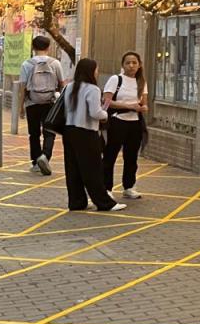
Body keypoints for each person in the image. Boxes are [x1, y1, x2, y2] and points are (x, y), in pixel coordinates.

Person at [62, 58, 125, 212]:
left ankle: (77, 202)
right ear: (91, 71)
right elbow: (95, 113)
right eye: (96, 69)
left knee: (73, 168)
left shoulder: (70, 87)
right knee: (93, 169)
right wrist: (105, 114)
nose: (97, 72)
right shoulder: (93, 89)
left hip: (69, 131)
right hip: (86, 132)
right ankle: (104, 203)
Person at [17, 34, 66, 175]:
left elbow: (23, 87)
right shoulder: (55, 63)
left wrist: (21, 107)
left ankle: (36, 162)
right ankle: (45, 156)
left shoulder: (27, 64)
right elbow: (62, 84)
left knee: (34, 133)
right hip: (50, 102)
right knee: (49, 131)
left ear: (33, 47)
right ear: (48, 48)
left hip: (32, 102)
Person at [102, 51, 148, 200]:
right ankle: (106, 187)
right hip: (117, 121)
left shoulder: (141, 82)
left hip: (135, 123)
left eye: (134, 63)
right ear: (123, 65)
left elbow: (144, 102)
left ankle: (129, 186)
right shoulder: (116, 79)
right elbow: (107, 102)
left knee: (131, 156)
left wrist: (142, 108)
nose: (131, 66)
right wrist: (129, 106)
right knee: (111, 154)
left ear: (139, 65)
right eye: (128, 63)